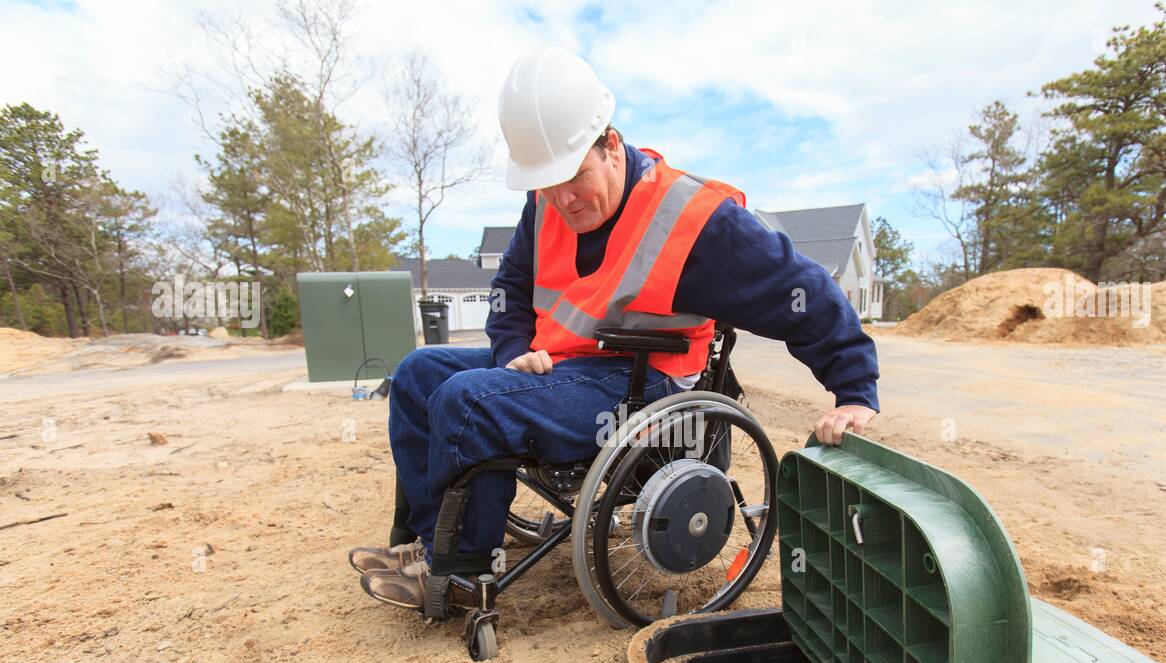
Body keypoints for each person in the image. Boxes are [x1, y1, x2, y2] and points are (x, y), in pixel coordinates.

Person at [350, 47, 880, 611]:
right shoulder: (547, 198)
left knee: (469, 401)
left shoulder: (694, 220)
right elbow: (511, 286)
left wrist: (855, 390)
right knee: (418, 372)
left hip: (646, 383)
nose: (562, 200)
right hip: (564, 365)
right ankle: (428, 544)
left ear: (610, 144)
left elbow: (802, 293)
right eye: (549, 186)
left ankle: (457, 578)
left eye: (574, 179)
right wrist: (511, 351)